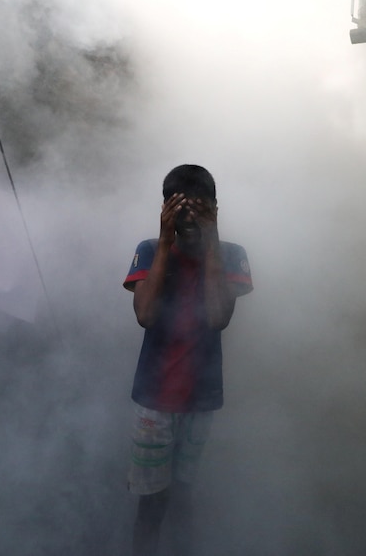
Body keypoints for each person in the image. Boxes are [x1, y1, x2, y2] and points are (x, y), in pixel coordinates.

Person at [123, 164, 253, 556]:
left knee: (183, 495)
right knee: (151, 502)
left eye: (200, 211)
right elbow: (145, 315)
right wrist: (165, 241)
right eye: (180, 211)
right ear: (166, 211)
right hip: (154, 402)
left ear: (215, 209)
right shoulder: (149, 250)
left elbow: (217, 318)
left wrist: (211, 242)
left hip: (200, 400)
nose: (190, 221)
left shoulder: (232, 255)